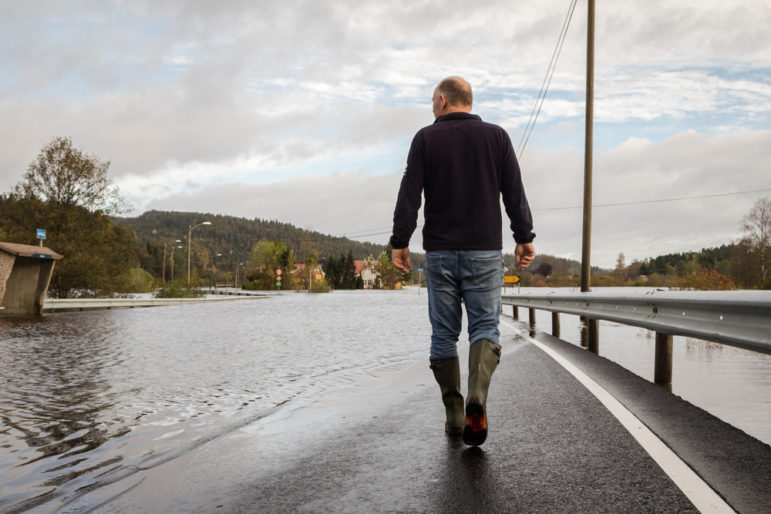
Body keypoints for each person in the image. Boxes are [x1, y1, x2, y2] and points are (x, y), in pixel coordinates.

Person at [390, 76, 536, 446]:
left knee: (443, 334)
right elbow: (514, 192)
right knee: (485, 327)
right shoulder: (497, 137)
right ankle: (478, 397)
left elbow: (410, 195)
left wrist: (400, 242)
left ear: (442, 100)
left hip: (439, 254)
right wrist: (524, 237)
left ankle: (455, 412)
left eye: (432, 101)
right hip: (485, 252)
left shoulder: (425, 138)